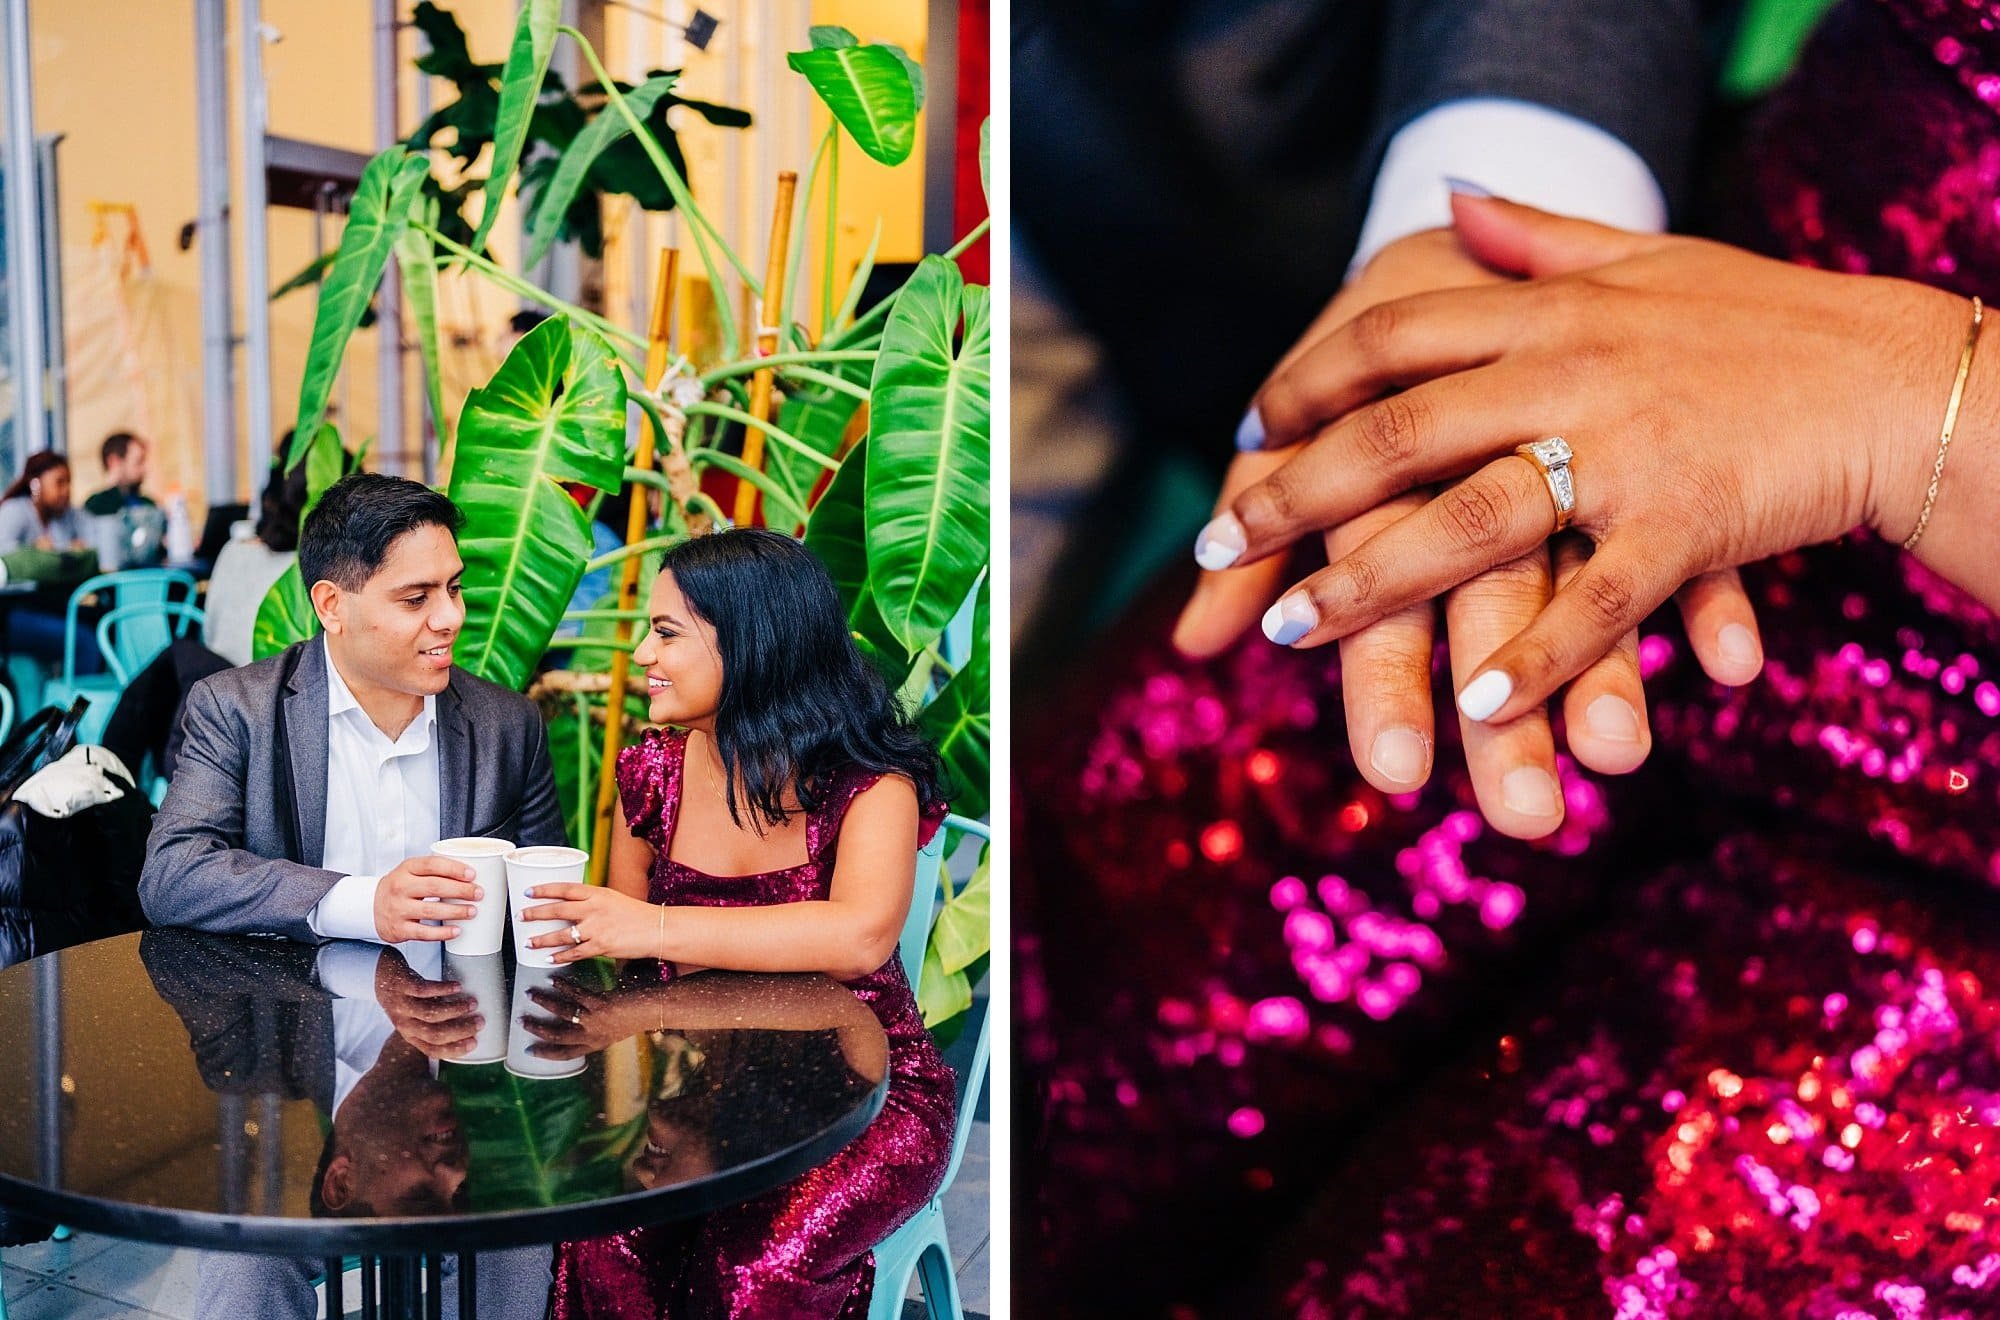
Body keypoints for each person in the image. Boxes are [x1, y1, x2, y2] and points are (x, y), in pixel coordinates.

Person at [1018, 0, 2000, 1311]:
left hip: (1962, 899)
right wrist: (1503, 212)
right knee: (1030, 1043)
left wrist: (1922, 401)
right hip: (1645, 379)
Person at [511, 528, 955, 1319]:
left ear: (752, 644)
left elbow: (856, 940)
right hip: (693, 1081)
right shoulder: (653, 772)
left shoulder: (868, 785)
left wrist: (650, 927)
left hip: (863, 1093)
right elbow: (633, 971)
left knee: (755, 1268)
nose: (643, 654)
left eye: (666, 632)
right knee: (605, 1240)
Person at [140, 470, 565, 943]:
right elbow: (172, 875)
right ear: (331, 606)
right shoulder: (239, 711)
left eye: (454, 588)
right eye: (416, 599)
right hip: (296, 990)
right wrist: (360, 903)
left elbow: (545, 906)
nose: (451, 617)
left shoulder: (507, 725)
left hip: (461, 989)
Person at [0, 451, 89, 554]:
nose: (67, 490)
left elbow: (93, 537)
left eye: (68, 482)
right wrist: (34, 549)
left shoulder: (69, 514)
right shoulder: (14, 511)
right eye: (60, 483)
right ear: (35, 484)